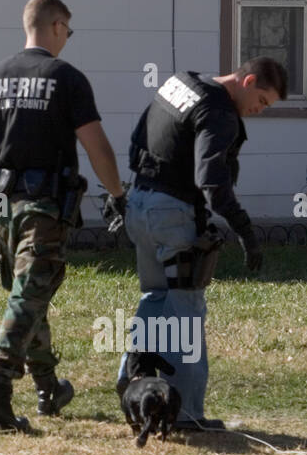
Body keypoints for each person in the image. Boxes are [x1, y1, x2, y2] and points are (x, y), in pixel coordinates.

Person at [0, 0, 128, 432]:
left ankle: (48, 386)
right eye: (69, 30)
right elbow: (96, 143)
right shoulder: (66, 78)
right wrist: (118, 194)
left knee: (30, 291)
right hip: (42, 206)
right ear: (58, 26)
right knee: (29, 293)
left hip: (2, 207)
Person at [117, 57, 287, 431]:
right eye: (262, 100)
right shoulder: (220, 112)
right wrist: (245, 229)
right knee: (186, 310)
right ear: (249, 80)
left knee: (155, 297)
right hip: (173, 213)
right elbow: (211, 181)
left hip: (140, 202)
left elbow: (137, 138)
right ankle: (186, 412)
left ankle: (133, 382)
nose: (258, 111)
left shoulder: (180, 83)